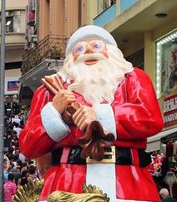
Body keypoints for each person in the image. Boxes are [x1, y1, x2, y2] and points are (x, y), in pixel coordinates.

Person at [19, 25, 163, 201]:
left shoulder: (133, 78)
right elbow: (28, 145)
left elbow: (150, 117)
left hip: (126, 181)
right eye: (79, 48)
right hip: (67, 181)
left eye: (96, 46)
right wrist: (55, 114)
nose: (88, 50)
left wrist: (101, 115)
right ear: (70, 58)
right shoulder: (49, 91)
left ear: (112, 52)